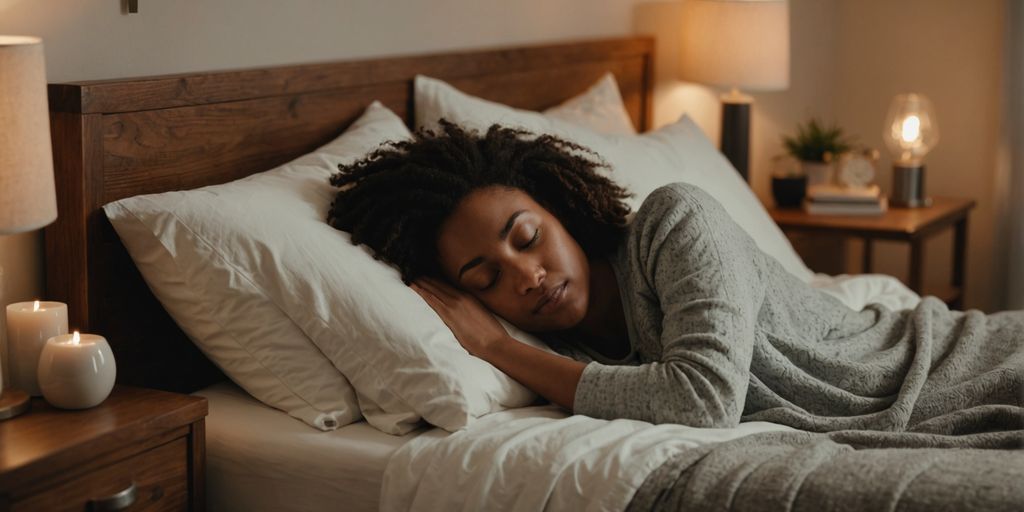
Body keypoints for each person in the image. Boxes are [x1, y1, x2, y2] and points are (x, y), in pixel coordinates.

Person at [328, 120, 1023, 435]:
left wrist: (499, 348)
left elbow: (703, 401)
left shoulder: (672, 222)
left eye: (528, 238)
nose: (526, 277)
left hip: (947, 362)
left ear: (563, 210)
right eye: (486, 278)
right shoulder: (572, 354)